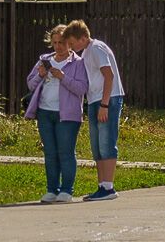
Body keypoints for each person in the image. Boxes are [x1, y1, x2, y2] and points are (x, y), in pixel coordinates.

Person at [26, 23, 88, 203]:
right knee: (50, 153)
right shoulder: (44, 59)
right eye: (55, 42)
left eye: (62, 42)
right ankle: (51, 189)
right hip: (45, 113)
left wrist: (63, 77)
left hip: (67, 115)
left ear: (69, 43)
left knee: (66, 152)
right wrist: (40, 74)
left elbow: (81, 88)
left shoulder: (77, 63)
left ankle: (67, 190)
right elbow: (30, 84)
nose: (58, 46)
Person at [63, 19, 123, 201]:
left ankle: (109, 187)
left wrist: (104, 105)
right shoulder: (87, 52)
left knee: (106, 142)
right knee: (97, 145)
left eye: (72, 43)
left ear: (82, 38)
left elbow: (109, 75)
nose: (71, 47)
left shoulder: (97, 48)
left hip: (108, 100)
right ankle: (101, 186)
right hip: (95, 99)